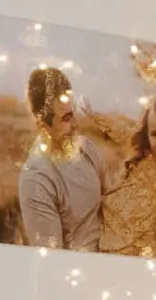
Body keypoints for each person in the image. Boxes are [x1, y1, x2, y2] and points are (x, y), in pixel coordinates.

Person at [14, 65, 109, 250]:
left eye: (74, 113)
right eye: (66, 118)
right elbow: (54, 260)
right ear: (44, 125)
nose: (75, 124)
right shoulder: (36, 179)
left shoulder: (87, 148)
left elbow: (113, 208)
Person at [99, 89, 156, 259]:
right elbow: (120, 130)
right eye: (154, 134)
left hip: (140, 247)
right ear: (147, 136)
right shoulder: (141, 155)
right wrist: (92, 114)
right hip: (113, 232)